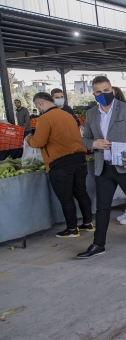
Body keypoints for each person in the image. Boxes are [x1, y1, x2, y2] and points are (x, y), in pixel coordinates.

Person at [78, 76, 126, 258]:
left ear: (112, 90)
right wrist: (94, 144)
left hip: (125, 164)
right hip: (103, 167)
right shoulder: (91, 114)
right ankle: (98, 244)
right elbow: (86, 139)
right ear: (94, 94)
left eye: (106, 90)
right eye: (98, 92)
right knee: (102, 207)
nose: (103, 94)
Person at [27, 92, 94, 238]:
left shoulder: (44, 118)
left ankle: (71, 229)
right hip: (79, 159)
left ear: (39, 104)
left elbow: (38, 142)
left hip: (60, 164)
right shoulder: (67, 114)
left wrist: (29, 140)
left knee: (66, 197)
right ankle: (88, 223)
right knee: (81, 192)